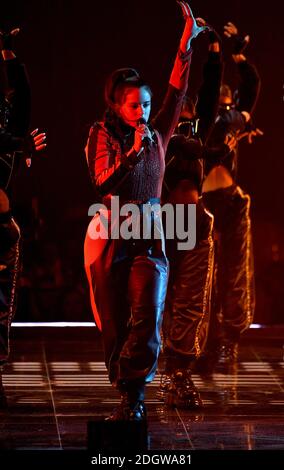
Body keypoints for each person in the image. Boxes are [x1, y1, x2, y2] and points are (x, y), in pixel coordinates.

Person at [84, 2, 207, 421]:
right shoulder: (100, 135)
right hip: (113, 231)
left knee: (148, 311)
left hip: (149, 234)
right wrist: (133, 155)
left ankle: (133, 395)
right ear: (119, 106)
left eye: (147, 106)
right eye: (135, 106)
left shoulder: (158, 134)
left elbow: (179, 92)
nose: (144, 113)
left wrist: (185, 44)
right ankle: (124, 384)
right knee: (116, 319)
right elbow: (103, 182)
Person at [157, 20, 225, 408]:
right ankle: (158, 368)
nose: (189, 105)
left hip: (196, 222)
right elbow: (178, 91)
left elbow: (211, 92)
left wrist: (214, 52)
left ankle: (181, 372)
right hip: (167, 223)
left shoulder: (199, 129)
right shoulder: (161, 131)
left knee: (191, 300)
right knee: (161, 296)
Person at [198, 21, 261, 372]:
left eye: (228, 104)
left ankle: (228, 345)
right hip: (201, 206)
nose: (225, 110)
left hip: (231, 202)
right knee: (200, 275)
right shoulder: (201, 124)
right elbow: (211, 93)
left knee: (233, 276)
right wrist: (216, 53)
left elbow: (251, 88)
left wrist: (239, 57)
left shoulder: (232, 120)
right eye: (219, 105)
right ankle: (198, 343)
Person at [0, 28, 46, 408]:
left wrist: (8, 53)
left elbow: (24, 98)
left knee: (1, 307)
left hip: (3, 230)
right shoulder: (9, 139)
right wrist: (19, 144)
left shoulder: (10, 130)